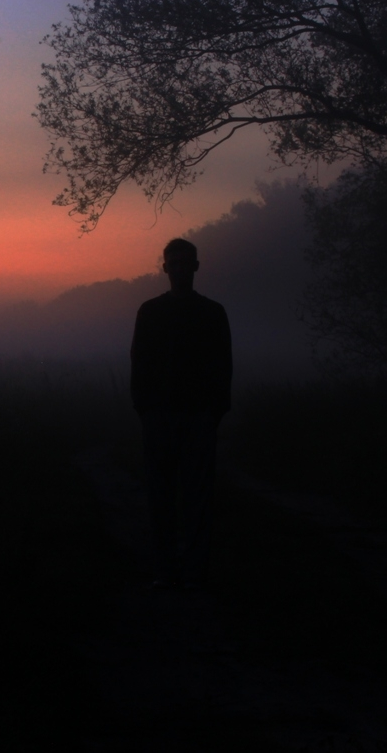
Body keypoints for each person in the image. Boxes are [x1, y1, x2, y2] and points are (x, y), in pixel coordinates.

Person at [130, 238, 232, 590]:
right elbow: (139, 363)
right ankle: (166, 569)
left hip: (197, 417)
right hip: (159, 416)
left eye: (184, 263)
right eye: (173, 263)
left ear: (195, 267)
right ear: (165, 269)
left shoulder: (212, 313)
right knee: (161, 496)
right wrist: (145, 409)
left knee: (197, 498)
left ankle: (194, 570)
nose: (179, 270)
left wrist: (214, 412)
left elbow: (223, 366)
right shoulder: (150, 311)